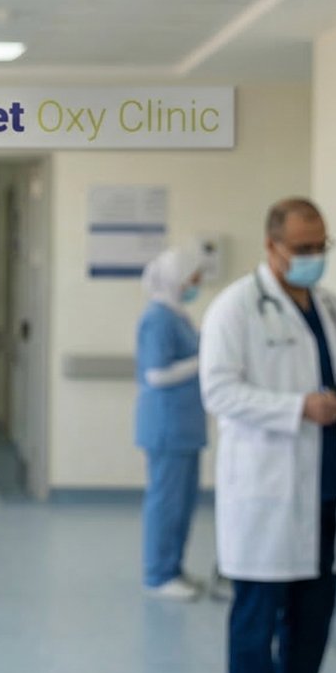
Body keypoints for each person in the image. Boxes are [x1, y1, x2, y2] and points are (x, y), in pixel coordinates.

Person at [199, 198, 336, 673]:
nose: (314, 257)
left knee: (313, 620)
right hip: (267, 493)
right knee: (256, 623)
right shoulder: (236, 308)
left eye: (322, 246)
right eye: (303, 248)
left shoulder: (332, 307)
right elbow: (218, 392)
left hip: (324, 488)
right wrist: (298, 408)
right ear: (271, 247)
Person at [134, 247, 207, 601]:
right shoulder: (158, 318)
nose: (197, 284)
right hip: (166, 425)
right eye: (193, 278)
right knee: (166, 503)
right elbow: (156, 373)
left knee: (183, 502)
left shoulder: (179, 316)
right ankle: (158, 574)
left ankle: (174, 568)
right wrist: (203, 359)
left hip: (186, 426)